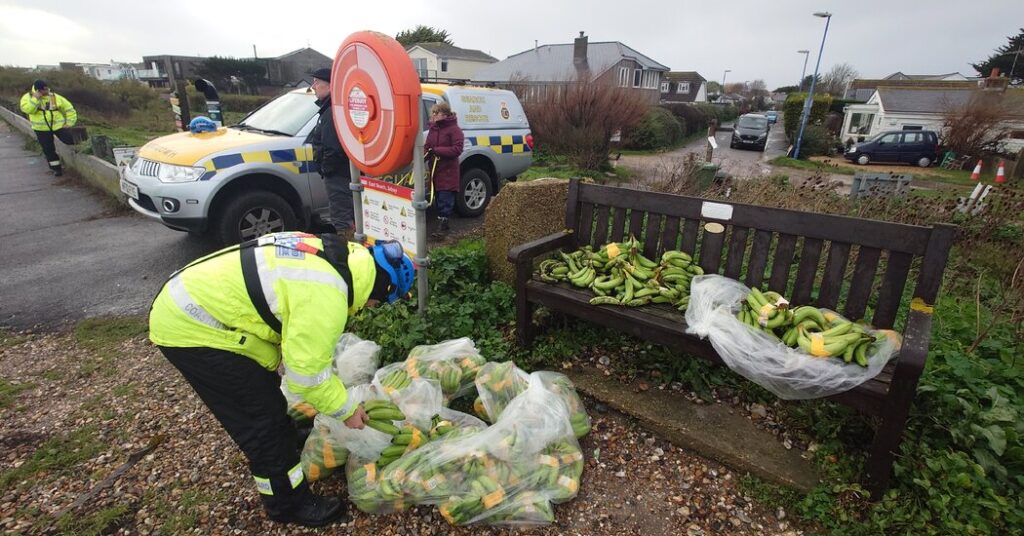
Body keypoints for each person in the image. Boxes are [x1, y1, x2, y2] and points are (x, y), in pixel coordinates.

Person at [148, 232, 415, 527]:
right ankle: (287, 504)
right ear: (381, 287)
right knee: (261, 422)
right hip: (195, 328)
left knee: (266, 397)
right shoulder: (327, 296)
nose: (370, 307)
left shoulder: (337, 256)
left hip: (198, 299)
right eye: (378, 302)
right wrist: (347, 410)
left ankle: (286, 441)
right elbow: (307, 378)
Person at [306, 68, 355, 239]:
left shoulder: (332, 111)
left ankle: (348, 252)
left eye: (317, 82)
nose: (313, 86)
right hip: (339, 173)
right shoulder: (329, 109)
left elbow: (333, 147)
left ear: (331, 85)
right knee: (346, 214)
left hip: (339, 175)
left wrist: (326, 169)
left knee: (342, 218)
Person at [20, 80, 77, 176]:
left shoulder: (54, 96)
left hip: (58, 126)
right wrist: (35, 99)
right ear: (38, 90)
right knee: (48, 149)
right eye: (43, 90)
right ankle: (56, 169)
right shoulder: (27, 98)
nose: (45, 92)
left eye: (46, 89)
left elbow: (69, 109)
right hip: (41, 129)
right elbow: (28, 110)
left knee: (71, 139)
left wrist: (69, 123)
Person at [424, 102, 464, 239]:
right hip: (435, 169)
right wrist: (422, 157)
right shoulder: (433, 129)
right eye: (433, 113)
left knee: (445, 197)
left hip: (448, 171)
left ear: (445, 114)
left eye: (437, 112)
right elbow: (428, 146)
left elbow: (457, 149)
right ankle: (443, 222)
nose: (434, 115)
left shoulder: (454, 130)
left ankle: (443, 226)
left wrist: (437, 151)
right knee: (437, 196)